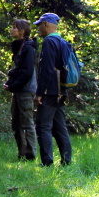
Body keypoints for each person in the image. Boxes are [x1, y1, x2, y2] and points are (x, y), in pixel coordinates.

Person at [33, 12, 73, 166]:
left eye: (40, 25)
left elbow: (47, 69)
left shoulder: (49, 42)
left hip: (49, 92)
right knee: (60, 127)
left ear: (47, 25)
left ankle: (47, 163)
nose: (38, 29)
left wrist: (39, 93)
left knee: (43, 126)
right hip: (61, 91)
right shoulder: (63, 42)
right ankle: (66, 161)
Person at [3, 19, 37, 161]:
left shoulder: (28, 48)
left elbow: (27, 72)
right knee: (16, 123)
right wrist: (10, 82)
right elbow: (18, 69)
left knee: (27, 122)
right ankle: (22, 154)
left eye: (14, 27)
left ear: (22, 31)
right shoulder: (19, 47)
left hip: (26, 90)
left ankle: (31, 155)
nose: (11, 30)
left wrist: (13, 85)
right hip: (18, 90)